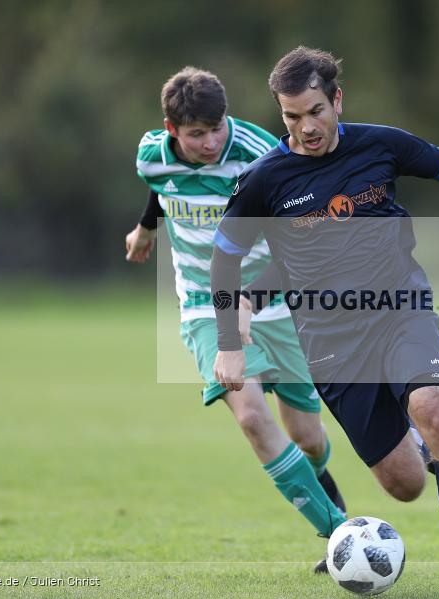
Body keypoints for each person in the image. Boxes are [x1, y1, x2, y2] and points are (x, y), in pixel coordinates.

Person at [210, 47, 439, 595]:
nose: (305, 128)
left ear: (337, 101)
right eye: (290, 116)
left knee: (435, 410)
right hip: (330, 342)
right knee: (404, 485)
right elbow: (226, 258)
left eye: (314, 112)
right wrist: (230, 340)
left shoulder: (381, 144)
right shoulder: (266, 179)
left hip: (400, 309)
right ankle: (417, 448)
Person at [124, 67, 347, 570]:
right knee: (249, 416)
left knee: (309, 437)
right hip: (205, 303)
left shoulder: (260, 151)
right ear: (171, 129)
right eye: (196, 134)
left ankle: (323, 487)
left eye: (216, 128)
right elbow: (160, 186)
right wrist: (146, 229)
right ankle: (340, 534)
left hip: (273, 300)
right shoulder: (150, 155)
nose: (210, 143)